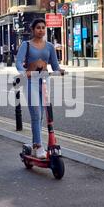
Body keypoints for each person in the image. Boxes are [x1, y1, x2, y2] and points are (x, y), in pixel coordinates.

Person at [15, 18, 65, 159]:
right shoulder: (26, 45)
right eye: (38, 27)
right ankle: (38, 146)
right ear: (33, 30)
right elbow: (18, 62)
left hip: (44, 81)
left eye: (43, 27)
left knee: (43, 115)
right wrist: (24, 72)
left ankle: (36, 144)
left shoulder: (49, 46)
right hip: (31, 81)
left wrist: (60, 70)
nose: (41, 30)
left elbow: (54, 65)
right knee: (36, 113)